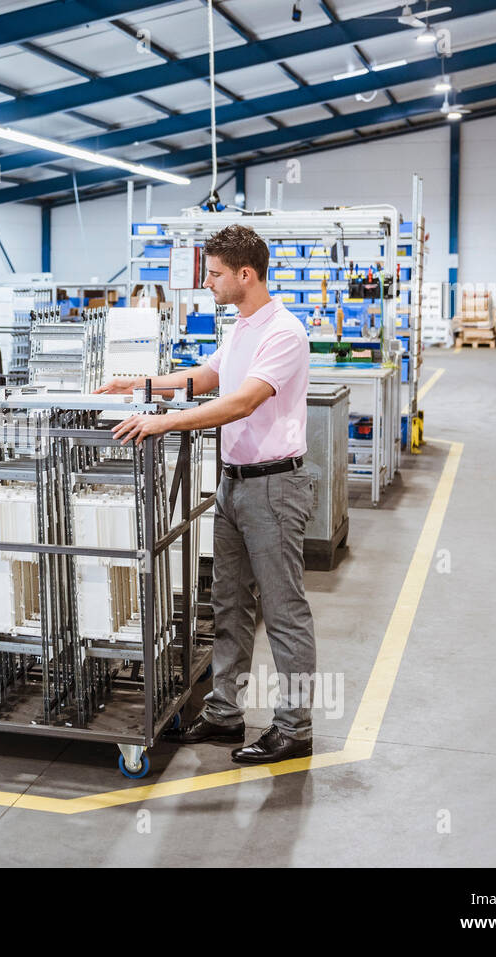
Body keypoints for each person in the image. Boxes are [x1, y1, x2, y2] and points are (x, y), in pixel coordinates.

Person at [97, 224, 316, 764]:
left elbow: (241, 402)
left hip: (273, 488)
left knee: (284, 610)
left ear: (246, 274)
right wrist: (140, 386)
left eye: (215, 274)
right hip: (234, 485)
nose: (208, 283)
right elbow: (209, 375)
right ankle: (224, 714)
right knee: (229, 604)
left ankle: (295, 726)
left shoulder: (283, 333)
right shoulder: (242, 326)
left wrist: (164, 424)